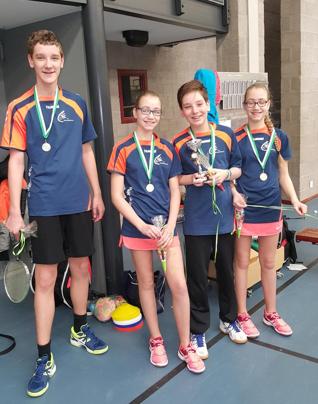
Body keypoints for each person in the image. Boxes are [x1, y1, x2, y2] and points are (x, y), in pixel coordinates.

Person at [1, 30, 108, 398]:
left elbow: (86, 153)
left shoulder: (77, 103)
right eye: (41, 57)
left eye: (54, 57)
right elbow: (16, 160)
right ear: (31, 61)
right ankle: (44, 356)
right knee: (45, 281)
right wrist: (14, 211)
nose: (48, 64)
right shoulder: (18, 107)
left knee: (81, 269)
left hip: (78, 202)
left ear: (62, 61)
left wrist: (96, 192)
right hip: (44, 207)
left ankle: (79, 327)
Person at [107, 90, 205, 374]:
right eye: (145, 110)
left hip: (166, 231)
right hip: (139, 230)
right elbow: (116, 196)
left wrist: (171, 225)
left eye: (156, 111)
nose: (151, 116)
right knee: (147, 285)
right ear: (135, 113)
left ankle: (185, 344)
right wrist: (141, 226)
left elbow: (176, 190)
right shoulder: (122, 148)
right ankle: (156, 339)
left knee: (179, 286)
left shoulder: (167, 149)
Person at [172, 80, 247, 360]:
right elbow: (175, 178)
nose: (195, 110)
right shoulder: (179, 142)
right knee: (198, 278)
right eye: (188, 106)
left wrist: (223, 175)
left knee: (226, 272)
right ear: (182, 111)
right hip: (196, 221)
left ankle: (229, 318)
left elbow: (238, 168)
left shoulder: (226, 135)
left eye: (199, 104)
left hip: (224, 218)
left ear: (209, 105)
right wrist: (194, 179)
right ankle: (198, 328)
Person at [232, 82, 307, 338]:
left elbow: (283, 174)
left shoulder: (279, 137)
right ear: (244, 105)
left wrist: (294, 199)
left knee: (268, 263)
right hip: (245, 210)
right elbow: (232, 176)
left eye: (261, 102)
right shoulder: (236, 137)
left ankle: (270, 312)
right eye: (251, 102)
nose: (256, 107)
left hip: (270, 207)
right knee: (241, 263)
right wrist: (234, 195)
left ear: (268, 104)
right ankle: (242, 313)